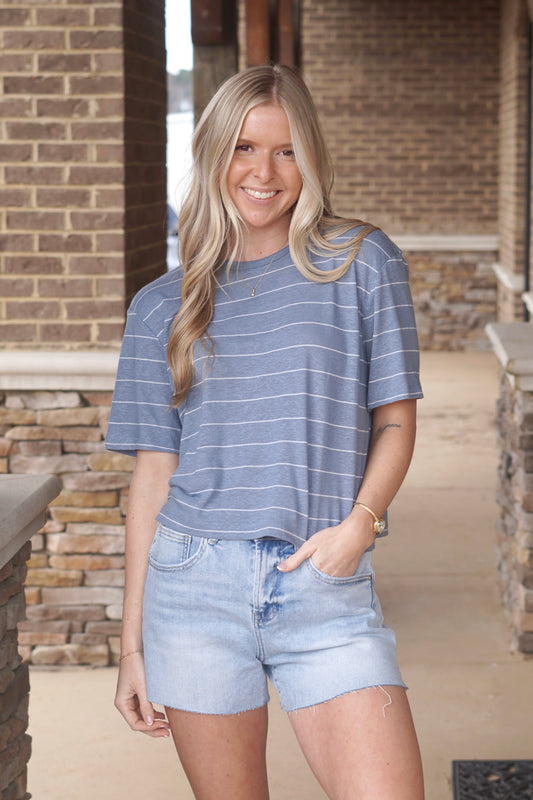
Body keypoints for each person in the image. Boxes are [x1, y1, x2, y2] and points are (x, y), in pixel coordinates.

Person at [106, 64, 425, 800]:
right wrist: (131, 648)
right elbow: (152, 478)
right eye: (244, 147)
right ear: (215, 154)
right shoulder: (163, 307)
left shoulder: (359, 263)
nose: (263, 171)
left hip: (322, 583)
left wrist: (358, 526)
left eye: (286, 151)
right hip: (192, 594)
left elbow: (396, 420)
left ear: (309, 160)